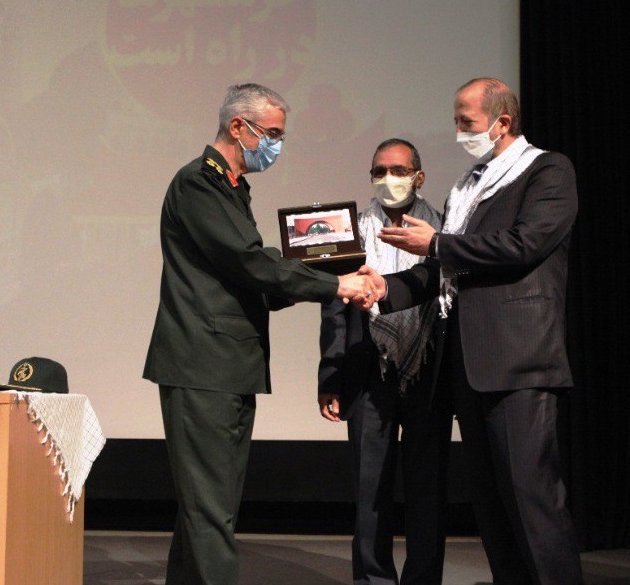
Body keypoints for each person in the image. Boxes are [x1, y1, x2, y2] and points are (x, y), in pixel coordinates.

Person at [143, 83, 384, 585]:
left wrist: (325, 270)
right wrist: (335, 284)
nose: (276, 145)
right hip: (203, 365)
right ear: (238, 127)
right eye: (271, 134)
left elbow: (253, 278)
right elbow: (249, 262)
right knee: (210, 509)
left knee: (210, 506)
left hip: (228, 365)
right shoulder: (199, 184)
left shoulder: (232, 188)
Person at [376, 78, 583, 585]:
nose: (459, 132)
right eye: (456, 121)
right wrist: (381, 288)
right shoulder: (468, 186)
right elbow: (441, 271)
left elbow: (523, 244)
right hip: (467, 364)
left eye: (466, 122)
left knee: (531, 502)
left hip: (517, 360)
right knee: (491, 509)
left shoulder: (546, 170)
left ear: (502, 121)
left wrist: (438, 244)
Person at [318, 138, 453, 585]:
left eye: (398, 170)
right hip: (366, 371)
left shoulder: (444, 230)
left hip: (428, 372)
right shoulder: (350, 232)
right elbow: (334, 311)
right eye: (379, 171)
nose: (388, 178)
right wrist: (331, 377)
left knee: (427, 489)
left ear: (419, 176)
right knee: (369, 488)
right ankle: (373, 579)